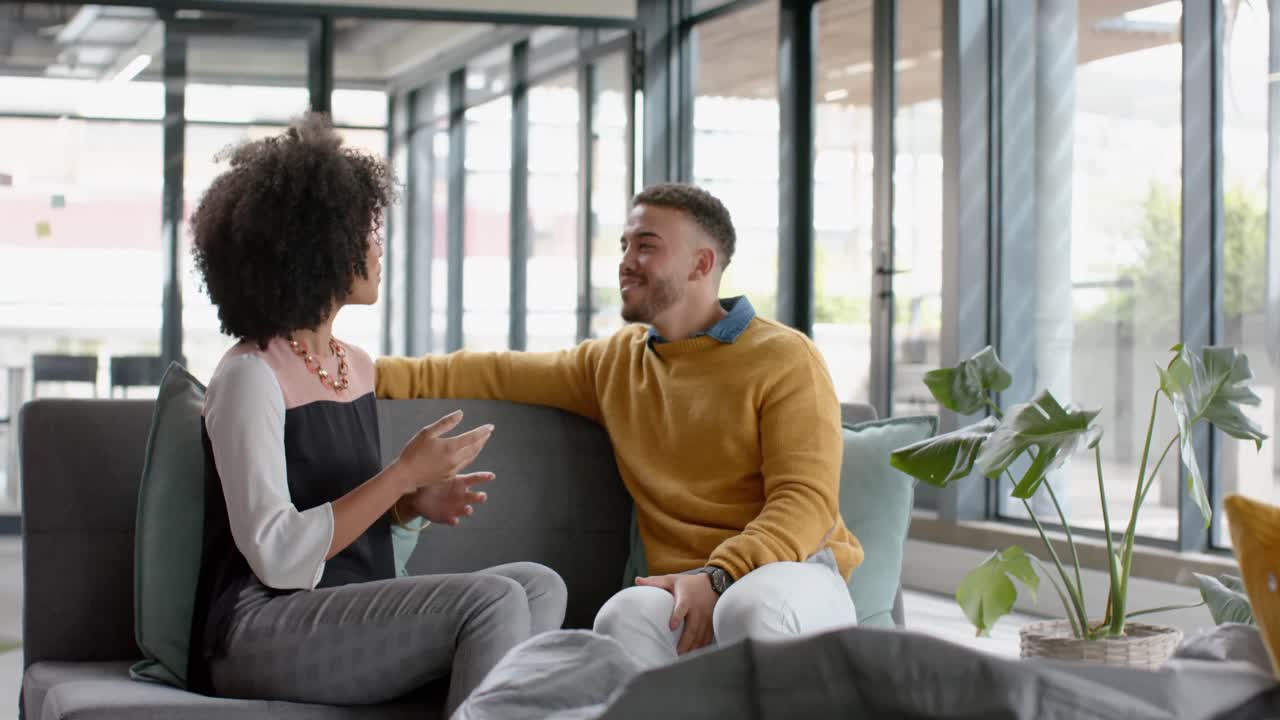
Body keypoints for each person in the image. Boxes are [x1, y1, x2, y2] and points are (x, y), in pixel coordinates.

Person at [377, 182, 860, 669]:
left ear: (701, 264)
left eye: (646, 245)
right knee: (621, 617)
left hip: (793, 576)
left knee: (749, 607)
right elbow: (485, 372)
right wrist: (342, 373)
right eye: (625, 245)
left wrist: (720, 576)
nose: (626, 260)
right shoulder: (614, 362)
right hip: (682, 586)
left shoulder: (785, 357)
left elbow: (805, 502)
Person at [186, 113, 566, 716]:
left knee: (538, 585)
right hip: (259, 629)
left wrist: (408, 509)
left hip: (342, 607)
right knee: (492, 601)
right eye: (366, 231)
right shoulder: (249, 377)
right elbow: (279, 556)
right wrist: (401, 477)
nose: (377, 246)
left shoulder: (354, 367)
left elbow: (350, 539)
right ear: (318, 248)